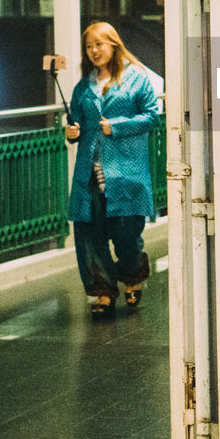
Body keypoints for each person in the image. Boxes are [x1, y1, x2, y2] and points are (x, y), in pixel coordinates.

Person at [65, 21, 161, 318]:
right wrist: (72, 132)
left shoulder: (137, 79)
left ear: (114, 45)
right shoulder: (83, 86)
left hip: (126, 171)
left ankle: (132, 276)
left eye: (99, 44)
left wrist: (117, 126)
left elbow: (153, 116)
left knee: (126, 233)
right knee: (89, 233)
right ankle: (102, 291)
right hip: (89, 174)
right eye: (89, 46)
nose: (94, 51)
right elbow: (76, 122)